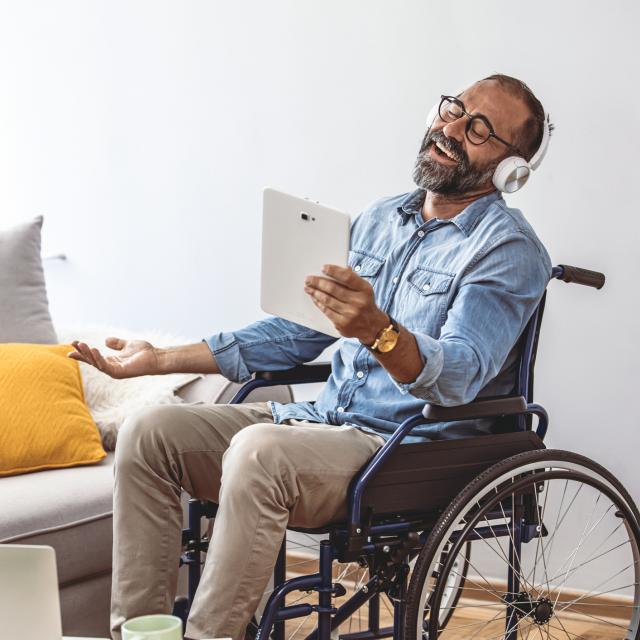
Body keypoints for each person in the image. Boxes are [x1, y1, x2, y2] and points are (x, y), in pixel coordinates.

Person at [69, 73, 552, 640]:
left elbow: (461, 376)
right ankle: (142, 632)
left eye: (479, 130)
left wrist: (379, 332)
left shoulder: (506, 248)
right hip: (321, 426)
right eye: (453, 109)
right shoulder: (381, 218)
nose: (450, 129)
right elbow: (298, 333)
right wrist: (160, 361)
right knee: (149, 433)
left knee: (260, 451)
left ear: (509, 171)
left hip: (405, 450)